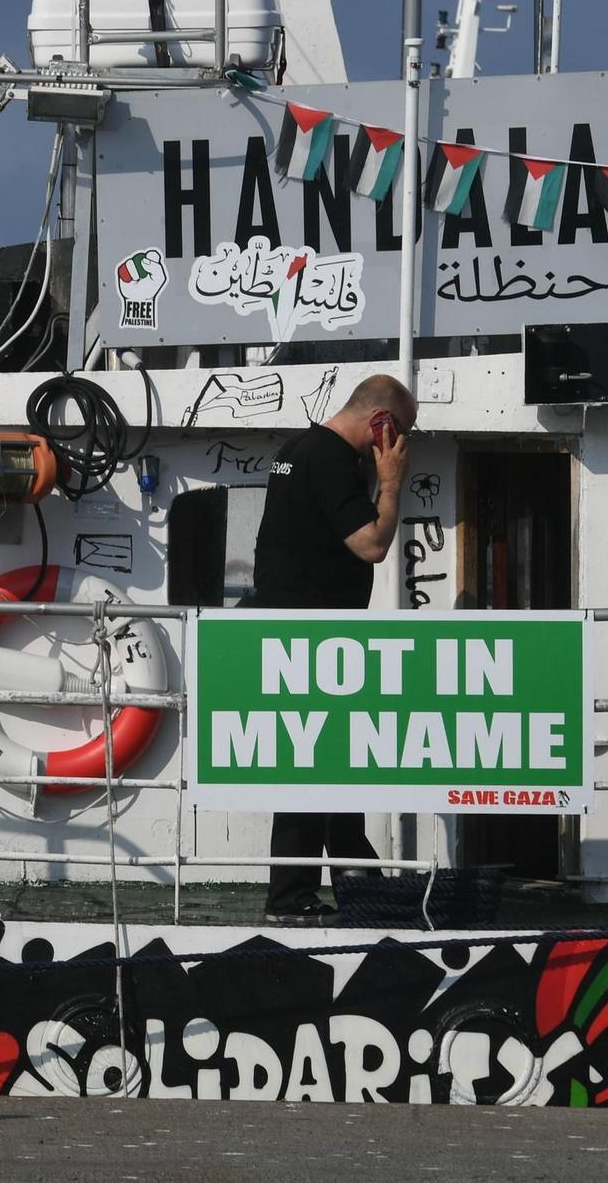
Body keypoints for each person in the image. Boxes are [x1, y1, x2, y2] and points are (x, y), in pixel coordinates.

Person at [240, 374, 416, 925]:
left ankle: (359, 884)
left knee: (333, 767)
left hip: (291, 630)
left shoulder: (298, 448)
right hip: (306, 637)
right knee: (309, 768)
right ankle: (289, 900)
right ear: (380, 423)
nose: (398, 444)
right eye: (399, 432)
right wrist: (390, 482)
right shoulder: (335, 459)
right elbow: (372, 543)